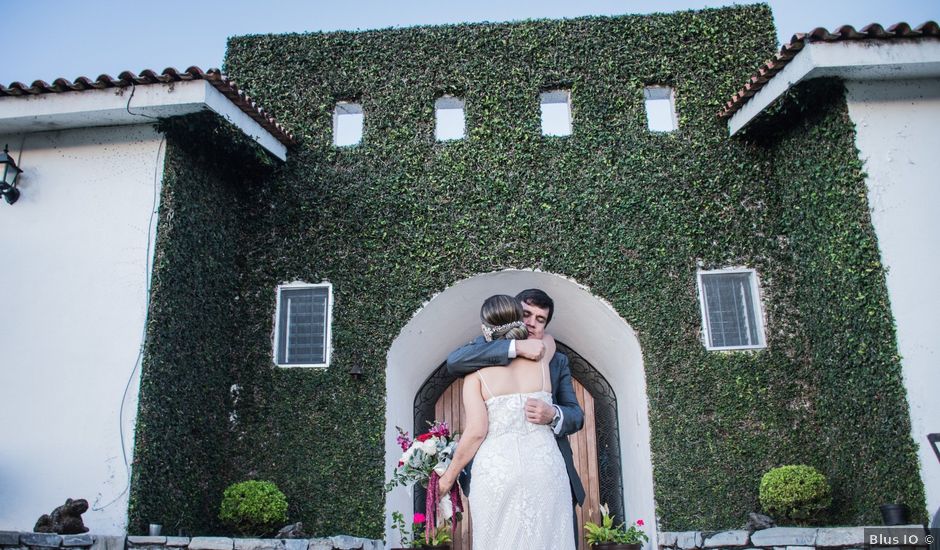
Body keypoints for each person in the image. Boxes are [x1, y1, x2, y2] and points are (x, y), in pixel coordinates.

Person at [438, 291, 584, 549]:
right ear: (515, 315)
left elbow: (576, 415)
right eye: (526, 314)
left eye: (540, 320)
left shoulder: (551, 359)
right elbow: (454, 361)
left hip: (532, 467)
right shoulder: (483, 354)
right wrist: (516, 347)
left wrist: (553, 414)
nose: (531, 323)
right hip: (534, 467)